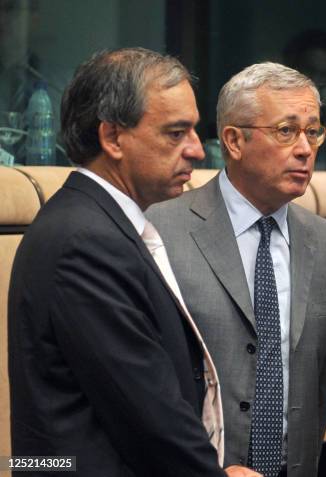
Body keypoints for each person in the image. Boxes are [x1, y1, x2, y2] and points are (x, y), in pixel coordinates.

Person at [8, 48, 259, 477]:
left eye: (194, 131)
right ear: (112, 138)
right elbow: (145, 407)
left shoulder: (101, 224)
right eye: (175, 133)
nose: (198, 151)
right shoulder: (85, 241)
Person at [147, 62, 326, 477]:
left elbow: (320, 384)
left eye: (313, 132)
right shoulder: (160, 230)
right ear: (234, 141)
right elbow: (148, 386)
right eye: (286, 131)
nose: (305, 148)